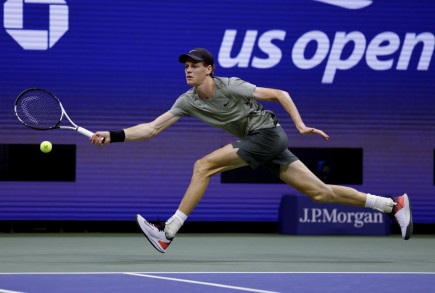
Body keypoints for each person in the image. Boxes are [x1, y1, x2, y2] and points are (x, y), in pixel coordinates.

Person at [90, 48, 413, 253]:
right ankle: (391, 204)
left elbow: (280, 93)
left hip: (267, 135)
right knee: (320, 193)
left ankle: (168, 232)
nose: (188, 70)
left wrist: (300, 125)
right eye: (185, 66)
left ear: (209, 69)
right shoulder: (186, 100)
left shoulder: (230, 85)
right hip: (264, 143)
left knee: (203, 165)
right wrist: (113, 135)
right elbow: (151, 128)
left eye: (194, 65)